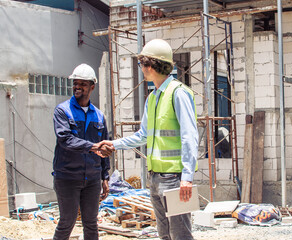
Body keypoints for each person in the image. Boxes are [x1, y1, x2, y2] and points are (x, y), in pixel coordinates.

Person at [100, 39, 198, 240]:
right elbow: (143, 135)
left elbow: (190, 136)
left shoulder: (178, 94)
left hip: (174, 179)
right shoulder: (152, 98)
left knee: (181, 235)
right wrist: (114, 144)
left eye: (142, 64)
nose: (141, 69)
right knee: (164, 234)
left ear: (151, 64)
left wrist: (187, 178)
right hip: (155, 177)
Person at [52, 63, 112, 240]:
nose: (77, 87)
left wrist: (105, 177)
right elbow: (66, 140)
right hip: (67, 177)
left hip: (92, 179)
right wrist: (94, 147)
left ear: (92, 86)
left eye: (82, 84)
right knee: (66, 222)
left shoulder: (99, 116)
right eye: (75, 83)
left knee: (91, 224)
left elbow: (105, 146)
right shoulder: (63, 111)